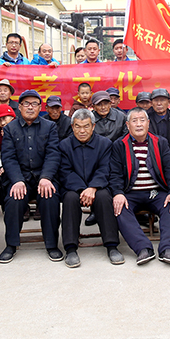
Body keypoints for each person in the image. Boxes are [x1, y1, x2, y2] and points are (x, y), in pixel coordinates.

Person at [109, 108, 170, 265]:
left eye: (142, 120)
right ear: (128, 125)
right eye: (134, 121)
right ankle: (143, 248)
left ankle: (168, 249)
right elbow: (115, 173)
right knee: (120, 208)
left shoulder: (160, 142)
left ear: (148, 123)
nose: (139, 124)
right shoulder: (119, 145)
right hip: (131, 192)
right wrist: (118, 193)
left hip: (155, 192)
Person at [0, 90, 62, 263]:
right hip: (20, 177)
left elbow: (53, 154)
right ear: (19, 107)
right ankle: (11, 245)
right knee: (14, 199)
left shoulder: (50, 127)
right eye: (26, 103)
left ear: (40, 108)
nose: (30, 107)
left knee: (50, 198)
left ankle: (52, 244)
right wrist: (17, 180)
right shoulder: (10, 129)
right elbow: (8, 157)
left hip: (44, 177)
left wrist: (46, 177)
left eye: (34, 104)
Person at [58, 109, 124, 267]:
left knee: (103, 197)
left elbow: (105, 168)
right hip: (73, 187)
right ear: (72, 127)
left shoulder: (105, 144)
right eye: (78, 126)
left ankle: (111, 245)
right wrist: (83, 189)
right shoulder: (64, 145)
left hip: (98, 186)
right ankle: (71, 248)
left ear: (93, 126)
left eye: (86, 126)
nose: (82, 131)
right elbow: (65, 172)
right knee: (70, 198)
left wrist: (93, 187)